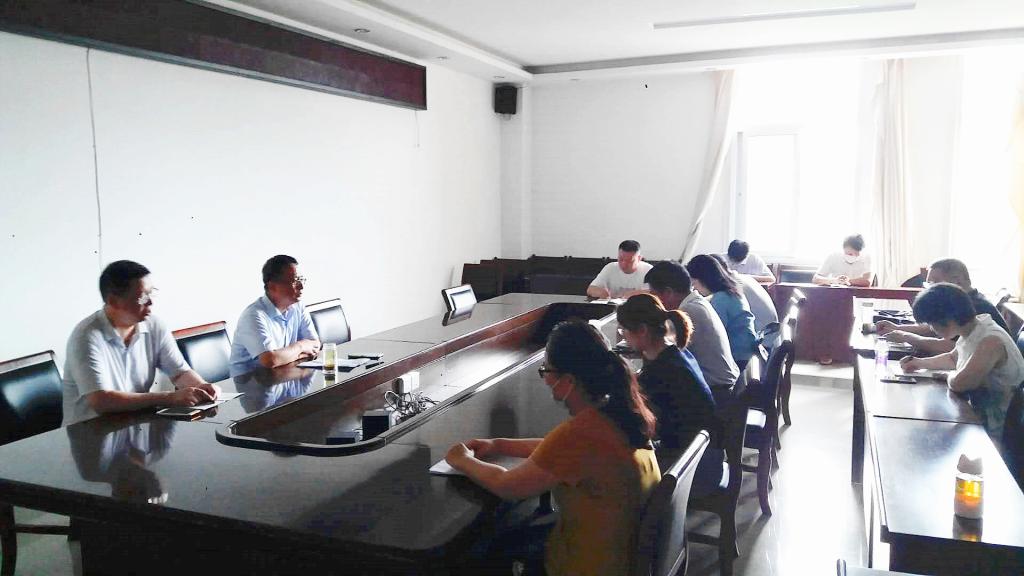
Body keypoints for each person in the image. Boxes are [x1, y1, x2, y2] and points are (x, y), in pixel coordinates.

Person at [445, 320, 660, 576]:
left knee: (484, 550)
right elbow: (556, 451)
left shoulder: (580, 433)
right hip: (621, 556)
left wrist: (461, 459)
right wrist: (499, 445)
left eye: (546, 370)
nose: (545, 379)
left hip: (587, 567)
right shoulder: (621, 414)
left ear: (568, 380)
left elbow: (508, 486)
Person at [62, 260, 219, 426]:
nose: (151, 302)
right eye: (143, 297)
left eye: (151, 293)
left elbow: (179, 373)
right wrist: (169, 397)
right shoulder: (86, 337)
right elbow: (101, 401)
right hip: (89, 431)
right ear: (114, 301)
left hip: (134, 423)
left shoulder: (154, 326)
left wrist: (201, 387)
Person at [616, 294, 723, 498]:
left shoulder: (660, 373)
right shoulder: (678, 354)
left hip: (694, 471)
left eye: (624, 331)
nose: (624, 338)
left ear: (642, 331)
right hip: (705, 456)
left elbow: (633, 423)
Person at [900, 283, 1024, 440]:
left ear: (948, 319)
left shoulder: (991, 341)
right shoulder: (974, 329)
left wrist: (948, 376)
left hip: (998, 427)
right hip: (979, 411)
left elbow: (961, 383)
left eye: (932, 323)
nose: (931, 329)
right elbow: (953, 358)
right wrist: (918, 362)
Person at [877, 258, 1013, 355]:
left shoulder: (975, 306)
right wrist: (897, 328)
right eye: (928, 284)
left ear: (957, 281)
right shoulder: (963, 300)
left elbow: (952, 347)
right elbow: (935, 328)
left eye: (934, 282)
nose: (930, 289)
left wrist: (908, 337)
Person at [644, 261, 740, 395]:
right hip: (722, 385)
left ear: (668, 292)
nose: (654, 301)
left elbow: (661, 354)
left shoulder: (688, 312)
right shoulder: (698, 302)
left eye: (653, 294)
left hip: (716, 391)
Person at [230, 255, 321, 370]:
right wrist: (301, 346)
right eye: (295, 281)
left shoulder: (298, 307)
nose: (301, 286)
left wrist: (287, 356)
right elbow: (271, 360)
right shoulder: (253, 316)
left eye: (301, 279)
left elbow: (315, 344)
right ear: (272, 286)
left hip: (284, 375)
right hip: (250, 380)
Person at [687, 255, 758, 369]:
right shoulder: (731, 291)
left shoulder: (721, 299)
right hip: (747, 353)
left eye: (694, 283)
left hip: (738, 358)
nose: (695, 289)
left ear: (703, 280)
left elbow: (713, 336)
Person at [712, 254, 780, 347]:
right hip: (769, 337)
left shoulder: (730, 289)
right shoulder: (743, 278)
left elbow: (717, 328)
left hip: (761, 345)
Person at [586, 240, 654, 299]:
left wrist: (634, 294)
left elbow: (655, 292)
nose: (624, 264)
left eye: (629, 261)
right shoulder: (610, 268)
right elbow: (591, 289)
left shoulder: (649, 270)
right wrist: (601, 293)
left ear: (639, 258)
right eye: (621, 259)